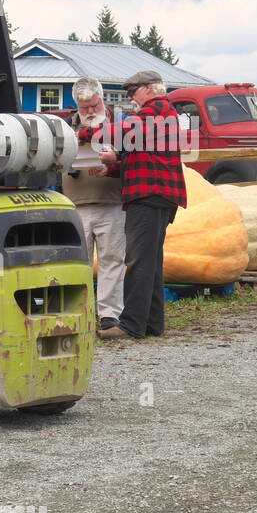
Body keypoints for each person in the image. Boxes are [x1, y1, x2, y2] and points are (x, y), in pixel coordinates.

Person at [92, 70, 187, 340]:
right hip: (158, 195)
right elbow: (143, 157)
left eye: (132, 91)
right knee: (151, 262)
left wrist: (87, 133)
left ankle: (131, 325)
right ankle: (152, 324)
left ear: (148, 89)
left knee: (138, 262)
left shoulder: (155, 110)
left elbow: (125, 133)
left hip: (149, 196)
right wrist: (112, 167)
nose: (131, 98)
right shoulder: (161, 115)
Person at [62, 77, 125, 330]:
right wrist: (69, 145)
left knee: (112, 260)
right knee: (78, 264)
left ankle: (109, 314)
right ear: (76, 104)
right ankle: (81, 312)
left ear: (102, 99)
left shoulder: (120, 125)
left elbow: (132, 157)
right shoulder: (66, 126)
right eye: (84, 107)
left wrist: (114, 159)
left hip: (112, 202)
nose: (89, 112)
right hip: (75, 205)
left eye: (93, 106)